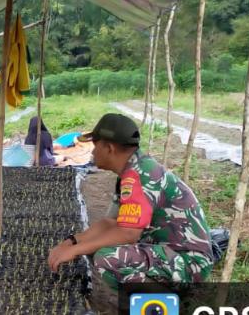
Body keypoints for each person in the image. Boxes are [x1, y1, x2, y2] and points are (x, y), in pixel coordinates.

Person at [46, 113, 214, 290]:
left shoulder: (140, 176)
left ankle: (159, 304)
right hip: (168, 253)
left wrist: (75, 250)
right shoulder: (132, 170)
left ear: (109, 148)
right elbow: (110, 223)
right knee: (93, 246)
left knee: (107, 258)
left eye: (95, 146)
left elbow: (128, 234)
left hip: (189, 263)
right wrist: (72, 241)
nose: (93, 152)